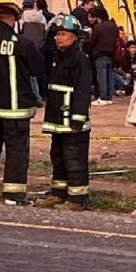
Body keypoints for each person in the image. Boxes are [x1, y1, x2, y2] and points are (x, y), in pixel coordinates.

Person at [0, 0, 44, 205]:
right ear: (14, 18)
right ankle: (13, 195)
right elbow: (37, 68)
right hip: (14, 110)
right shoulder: (20, 43)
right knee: (16, 152)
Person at [36, 15, 92, 211]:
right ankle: (58, 194)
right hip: (57, 119)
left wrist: (77, 120)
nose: (58, 38)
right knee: (58, 157)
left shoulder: (79, 59)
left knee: (73, 159)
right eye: (56, 34)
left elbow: (83, 91)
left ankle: (77, 199)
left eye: (62, 34)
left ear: (74, 36)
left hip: (72, 121)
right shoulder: (57, 57)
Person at [88, 7, 119, 106]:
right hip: (111, 53)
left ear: (98, 17)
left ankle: (102, 97)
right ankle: (109, 97)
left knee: (101, 77)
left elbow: (93, 41)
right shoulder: (114, 26)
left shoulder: (98, 27)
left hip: (100, 54)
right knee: (109, 76)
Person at [20, 0, 48, 104]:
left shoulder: (21, 16)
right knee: (34, 75)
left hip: (23, 48)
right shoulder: (42, 17)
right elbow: (45, 32)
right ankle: (38, 97)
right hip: (37, 48)